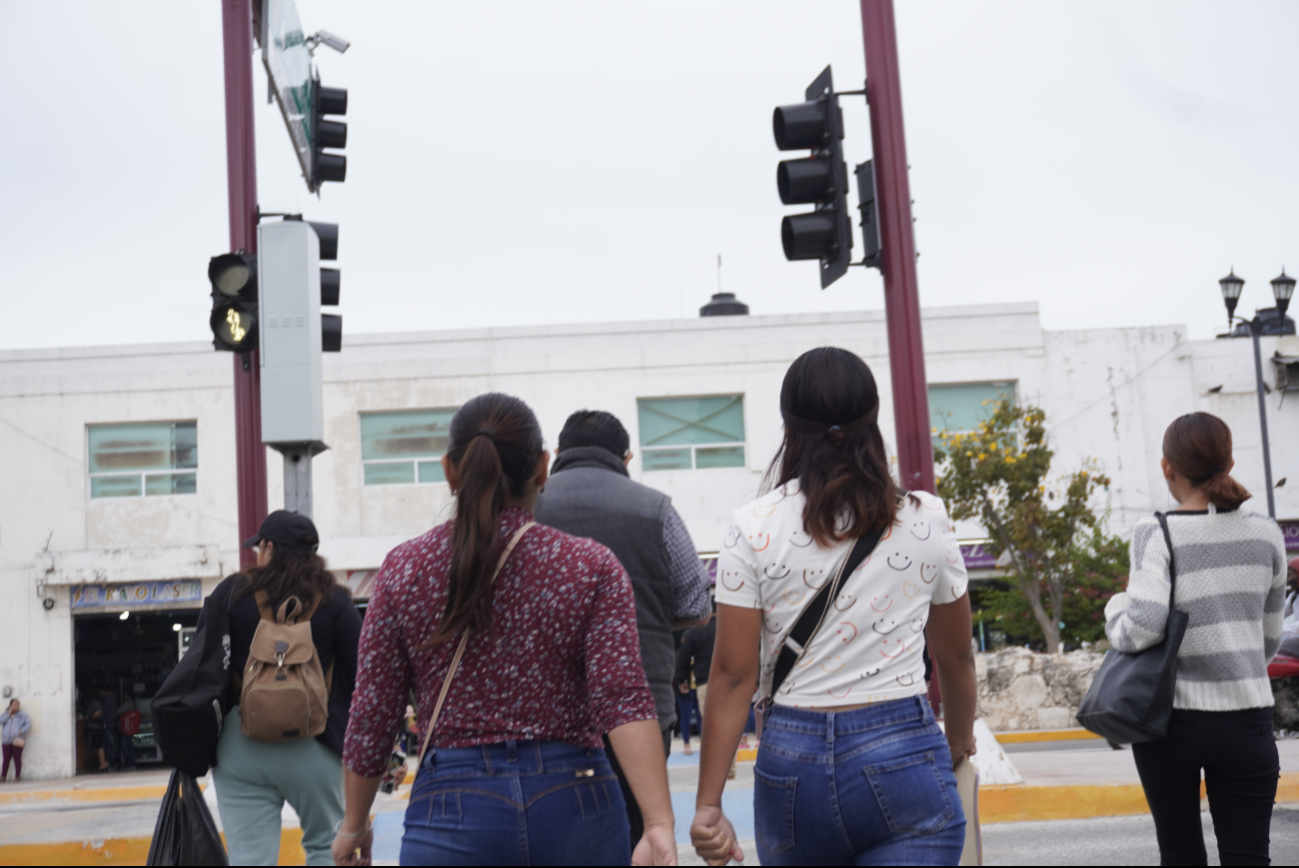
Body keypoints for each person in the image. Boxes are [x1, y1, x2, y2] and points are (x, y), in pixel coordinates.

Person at [335, 393, 677, 866]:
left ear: (450, 471)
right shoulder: (590, 566)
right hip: (575, 800)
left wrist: (354, 824)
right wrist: (658, 823)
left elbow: (374, 711)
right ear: (542, 468)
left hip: (451, 806)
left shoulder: (404, 570)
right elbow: (623, 697)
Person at [691, 347, 977, 866]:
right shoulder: (926, 518)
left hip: (791, 763)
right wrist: (958, 741)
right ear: (873, 419)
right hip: (905, 751)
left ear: (788, 425)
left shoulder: (752, 525)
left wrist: (708, 805)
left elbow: (733, 675)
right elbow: (957, 658)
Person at [1105, 412, 1286, 866]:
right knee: (1249, 857)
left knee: (1181, 854)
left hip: (1172, 725)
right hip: (1248, 720)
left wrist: (1114, 610)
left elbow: (1141, 627)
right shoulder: (1267, 532)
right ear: (1227, 461)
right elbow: (1268, 641)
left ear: (1168, 468)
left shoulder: (1157, 532)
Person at [533, 409, 713, 843]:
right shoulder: (657, 510)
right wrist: (643, 620)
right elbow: (697, 604)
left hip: (546, 714)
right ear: (626, 457)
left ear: (557, 454)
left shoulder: (529, 505)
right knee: (638, 834)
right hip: (644, 707)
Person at [199, 510, 361, 867]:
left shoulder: (232, 593)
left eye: (259, 546)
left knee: (249, 857)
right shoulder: (335, 599)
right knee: (326, 849)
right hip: (316, 743)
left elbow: (204, 664)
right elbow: (361, 677)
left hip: (240, 745)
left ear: (269, 548)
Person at [675, 614, 715, 757]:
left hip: (700, 684)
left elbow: (682, 663)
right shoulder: (681, 652)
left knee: (702, 719)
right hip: (693, 688)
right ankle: (687, 743)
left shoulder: (695, 634)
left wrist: (681, 680)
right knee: (687, 717)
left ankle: (705, 746)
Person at [1, 699, 31, 782]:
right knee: (6, 759)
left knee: (17, 758)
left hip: (18, 739)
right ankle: (3, 777)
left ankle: (17, 777)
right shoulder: (5, 714)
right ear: (10, 706)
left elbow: (28, 724)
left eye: (18, 704)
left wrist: (21, 731)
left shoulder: (23, 715)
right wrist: (8, 714)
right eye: (14, 704)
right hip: (6, 740)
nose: (16, 706)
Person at [116, 693, 138, 771]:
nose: (123, 697)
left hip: (127, 729)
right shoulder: (131, 704)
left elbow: (118, 711)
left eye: (125, 695)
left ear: (129, 695)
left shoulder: (129, 704)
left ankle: (130, 763)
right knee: (127, 746)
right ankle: (129, 763)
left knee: (127, 746)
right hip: (128, 728)